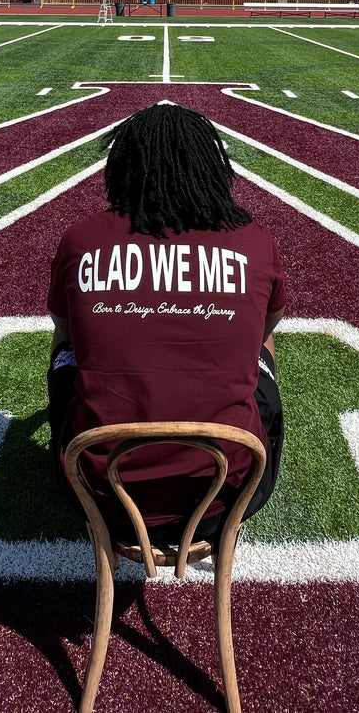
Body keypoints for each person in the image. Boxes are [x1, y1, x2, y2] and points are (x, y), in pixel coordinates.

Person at [46, 104, 285, 543]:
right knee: (262, 349)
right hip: (227, 490)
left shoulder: (81, 240)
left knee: (65, 352)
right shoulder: (253, 239)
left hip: (99, 491)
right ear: (213, 168)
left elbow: (64, 331)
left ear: (122, 168)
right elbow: (267, 327)